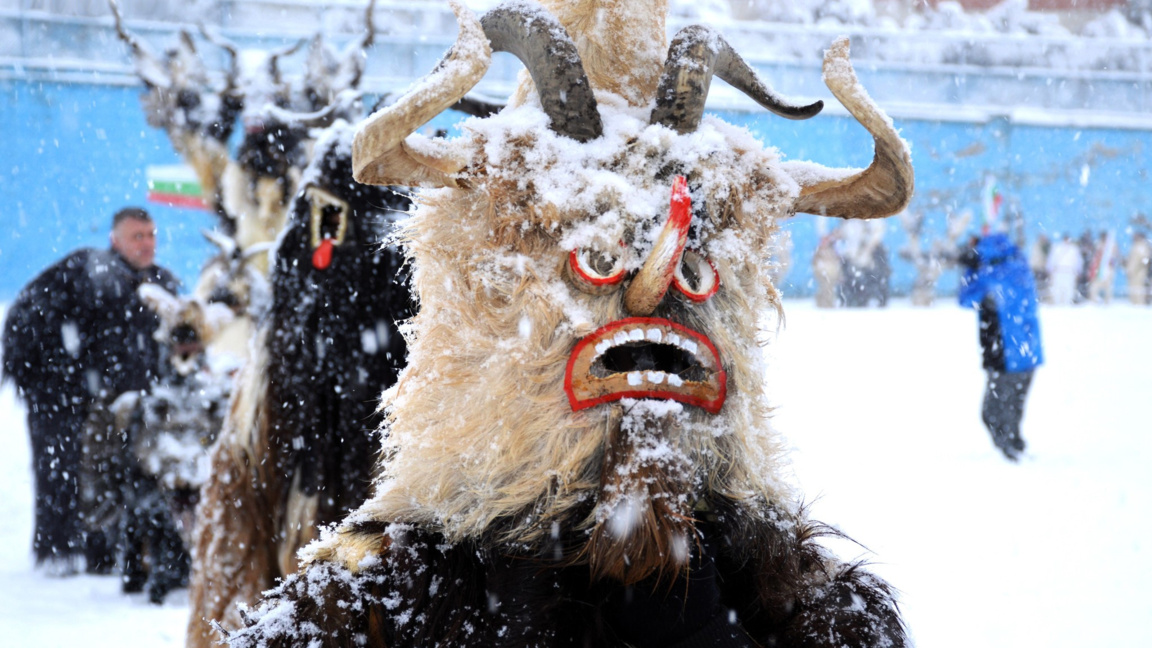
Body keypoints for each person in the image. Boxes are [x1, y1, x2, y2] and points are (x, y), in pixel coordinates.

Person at [1, 207, 180, 574]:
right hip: (67, 401)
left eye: (151, 235)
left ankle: (119, 556)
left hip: (128, 403)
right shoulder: (86, 271)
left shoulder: (161, 283)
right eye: (137, 236)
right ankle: (61, 555)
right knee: (63, 470)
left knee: (124, 476)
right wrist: (61, 382)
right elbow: (26, 320)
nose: (147, 244)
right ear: (114, 239)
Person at [958, 232, 1044, 462]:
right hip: (1026, 352)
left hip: (1004, 354)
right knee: (1012, 409)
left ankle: (1010, 452)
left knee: (991, 413)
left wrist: (972, 268)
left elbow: (966, 298)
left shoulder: (990, 271)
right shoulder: (1016, 263)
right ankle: (1016, 446)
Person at [1046, 232, 1082, 306]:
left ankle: (1067, 303)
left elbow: (1078, 261)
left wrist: (1078, 271)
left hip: (1069, 272)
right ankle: (1057, 303)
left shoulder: (1074, 249)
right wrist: (1050, 270)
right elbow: (1051, 259)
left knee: (1069, 289)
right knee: (1057, 288)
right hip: (1058, 271)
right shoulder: (1057, 248)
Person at [1125, 232, 1152, 305]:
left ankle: (1140, 303)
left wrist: (1137, 269)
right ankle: (1134, 302)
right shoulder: (1134, 245)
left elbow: (1144, 260)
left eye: (1136, 236)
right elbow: (1131, 259)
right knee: (1132, 287)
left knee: (1139, 287)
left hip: (1140, 271)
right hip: (1132, 271)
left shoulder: (1143, 246)